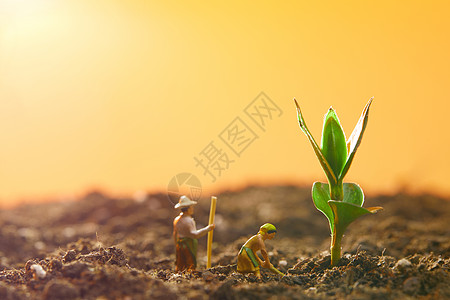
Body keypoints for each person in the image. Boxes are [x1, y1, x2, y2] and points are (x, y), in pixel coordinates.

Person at [173, 195, 215, 272]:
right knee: (190, 261)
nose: (192, 209)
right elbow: (194, 235)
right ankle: (190, 274)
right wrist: (207, 229)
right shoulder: (188, 221)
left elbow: (175, 234)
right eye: (191, 207)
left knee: (180, 261)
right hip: (188, 244)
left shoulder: (176, 220)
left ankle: (179, 273)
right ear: (188, 209)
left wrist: (176, 244)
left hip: (179, 244)